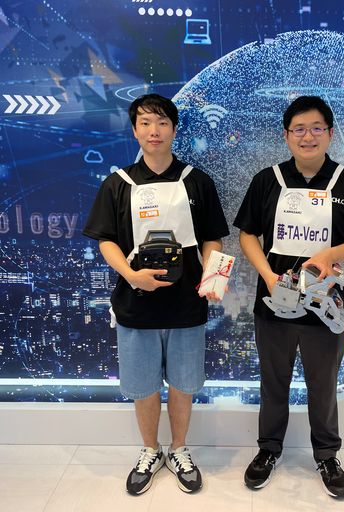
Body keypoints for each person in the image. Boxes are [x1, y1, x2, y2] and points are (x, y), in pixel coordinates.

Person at [234, 96, 344, 498]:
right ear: (286, 136)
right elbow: (247, 234)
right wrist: (267, 275)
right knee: (273, 382)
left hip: (326, 304)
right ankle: (268, 450)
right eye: (298, 129)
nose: (308, 136)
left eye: (317, 128)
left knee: (323, 384)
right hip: (274, 302)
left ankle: (327, 455)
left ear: (330, 134)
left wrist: (330, 255)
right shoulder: (267, 181)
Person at [83, 93, 229, 496]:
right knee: (144, 386)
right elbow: (106, 240)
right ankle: (150, 449)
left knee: (183, 384)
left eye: (162, 122)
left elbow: (212, 238)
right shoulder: (118, 184)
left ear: (174, 129)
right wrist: (132, 275)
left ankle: (179, 449)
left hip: (187, 303)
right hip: (136, 303)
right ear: (135, 130)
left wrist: (214, 278)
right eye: (146, 122)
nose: (154, 130)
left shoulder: (197, 181)